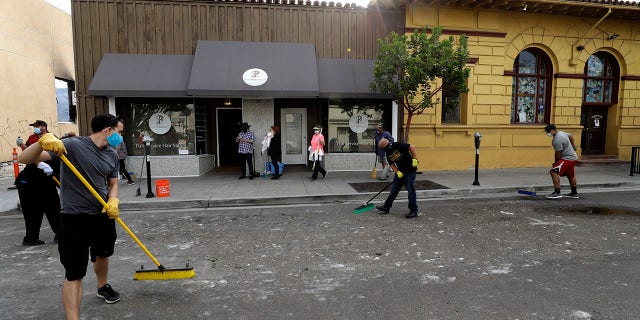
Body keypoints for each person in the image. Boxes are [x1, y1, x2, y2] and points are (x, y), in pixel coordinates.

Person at [19, 113, 124, 319]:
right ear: (108, 130)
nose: (121, 137)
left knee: (103, 253)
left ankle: (102, 286)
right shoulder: (72, 145)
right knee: (74, 272)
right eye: (119, 132)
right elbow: (26, 159)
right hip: (74, 217)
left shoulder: (112, 154)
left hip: (102, 213)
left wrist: (113, 200)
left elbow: (113, 183)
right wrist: (42, 143)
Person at [15, 119, 60, 245]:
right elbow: (29, 155)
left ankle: (60, 234)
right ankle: (31, 238)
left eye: (37, 126)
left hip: (45, 179)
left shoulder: (51, 139)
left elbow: (55, 156)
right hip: (29, 180)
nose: (35, 128)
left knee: (53, 207)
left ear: (44, 127)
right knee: (33, 210)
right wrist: (23, 146)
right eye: (34, 126)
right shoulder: (33, 138)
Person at [375, 138, 420, 218]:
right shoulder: (388, 153)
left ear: (386, 144)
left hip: (410, 171)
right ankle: (386, 207)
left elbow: (412, 147)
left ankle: (413, 211)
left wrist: (414, 159)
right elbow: (392, 164)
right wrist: (397, 172)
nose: (383, 150)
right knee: (394, 190)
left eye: (382, 148)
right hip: (401, 172)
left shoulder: (397, 145)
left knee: (411, 190)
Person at [544, 124, 579, 199]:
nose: (547, 133)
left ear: (553, 130)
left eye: (548, 131)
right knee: (570, 175)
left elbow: (558, 153)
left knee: (554, 172)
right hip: (573, 157)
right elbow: (571, 136)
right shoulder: (562, 133)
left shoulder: (556, 140)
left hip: (567, 158)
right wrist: (573, 147)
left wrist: (555, 163)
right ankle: (574, 193)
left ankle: (557, 192)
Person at [113, 117, 135, 186]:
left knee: (122, 169)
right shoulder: (119, 137)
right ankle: (130, 180)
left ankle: (130, 180)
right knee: (122, 169)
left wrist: (114, 154)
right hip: (121, 156)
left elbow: (117, 148)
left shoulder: (118, 138)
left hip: (120, 156)